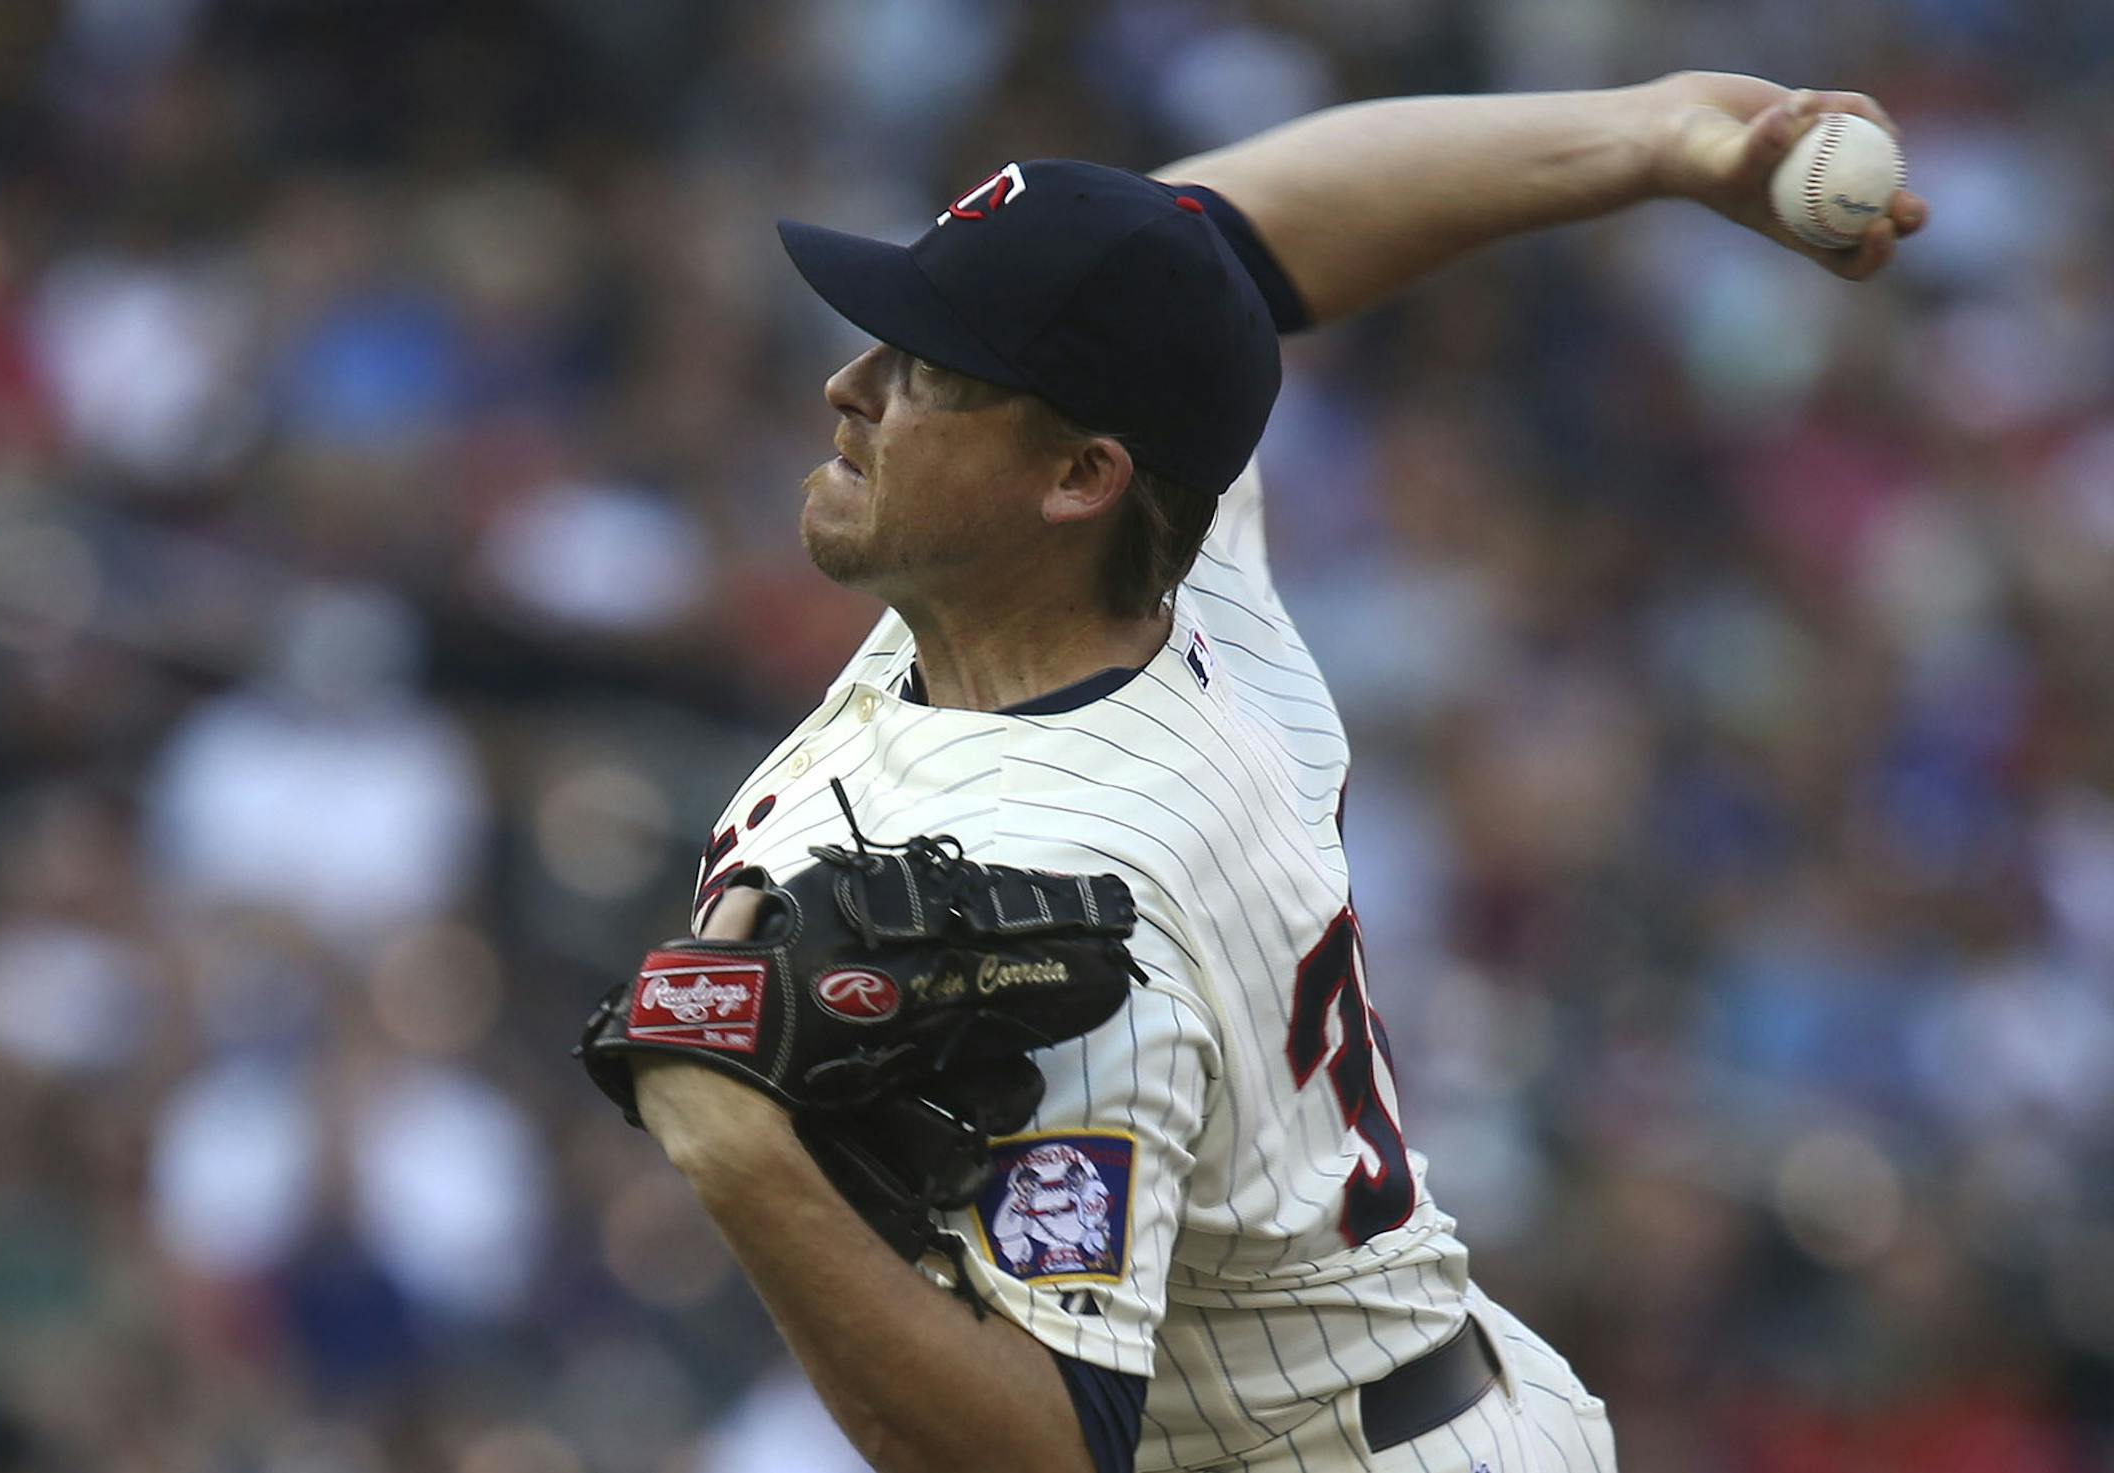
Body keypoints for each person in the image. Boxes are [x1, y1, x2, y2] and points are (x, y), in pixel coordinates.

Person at [623, 73, 1928, 1473]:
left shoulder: (1070, 882)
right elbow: (1234, 239)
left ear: (1077, 474)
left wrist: (740, 1153)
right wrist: (1655, 140)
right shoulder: (1163, 570)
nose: (852, 386)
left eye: (928, 370)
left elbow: (1048, 1448)